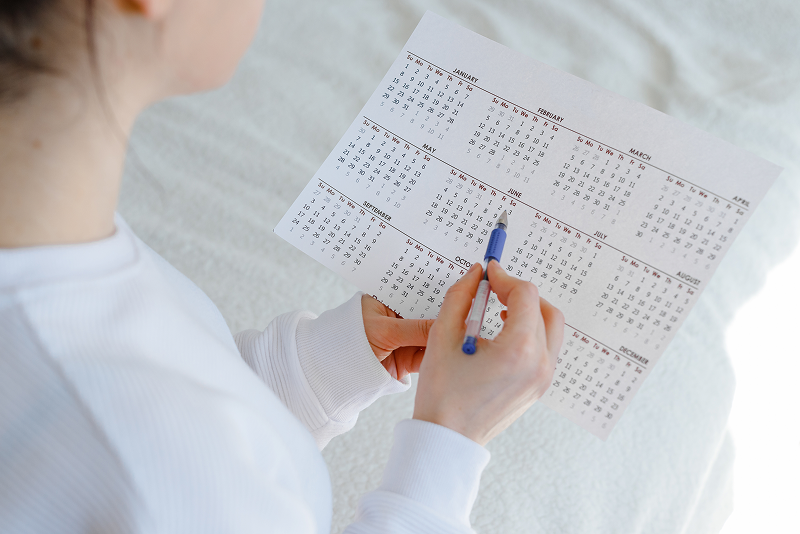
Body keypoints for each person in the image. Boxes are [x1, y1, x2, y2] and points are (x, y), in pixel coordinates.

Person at [0, 0, 565, 532]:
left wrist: (319, 368)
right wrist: (451, 438)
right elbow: (175, 468)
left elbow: (190, 426)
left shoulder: (47, 231)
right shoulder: (153, 480)